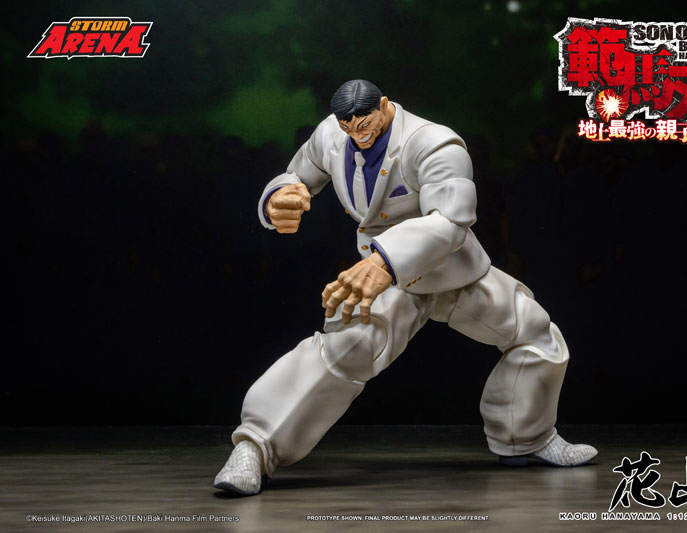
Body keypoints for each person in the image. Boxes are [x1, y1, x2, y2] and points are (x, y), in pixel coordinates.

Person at [214, 80, 597, 495]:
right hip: (388, 278)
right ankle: (255, 446)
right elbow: (297, 174)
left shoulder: (434, 143)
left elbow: (450, 220)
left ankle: (527, 438)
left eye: (364, 124)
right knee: (347, 347)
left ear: (383, 106)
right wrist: (279, 197)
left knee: (536, 333)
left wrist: (382, 262)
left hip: (450, 269)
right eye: (347, 127)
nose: (356, 134)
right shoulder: (331, 134)